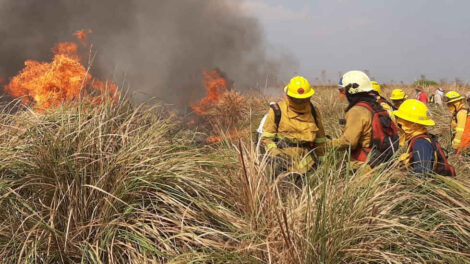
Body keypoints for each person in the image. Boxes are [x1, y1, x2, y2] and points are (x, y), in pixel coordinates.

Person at [330, 71, 399, 169]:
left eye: (343, 91)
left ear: (351, 90)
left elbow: (349, 142)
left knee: (337, 167)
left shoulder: (357, 111)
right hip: (382, 160)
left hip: (365, 165)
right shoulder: (376, 105)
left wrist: (326, 145)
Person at [259, 76, 326, 174]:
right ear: (288, 96)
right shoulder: (277, 111)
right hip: (283, 162)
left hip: (308, 163)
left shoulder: (313, 111)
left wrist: (322, 162)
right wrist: (276, 154)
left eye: (304, 99)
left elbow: (320, 139)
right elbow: (266, 138)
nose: (301, 102)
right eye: (297, 100)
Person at [395, 99, 455, 176]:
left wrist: (403, 177)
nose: (399, 127)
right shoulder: (417, 137)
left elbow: (422, 173)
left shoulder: (421, 143)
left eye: (401, 124)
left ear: (410, 124)